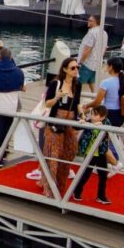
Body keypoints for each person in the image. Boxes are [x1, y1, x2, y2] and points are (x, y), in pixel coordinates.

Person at [40, 57, 81, 198]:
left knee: (69, 153)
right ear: (65, 69)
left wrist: (81, 115)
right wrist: (57, 97)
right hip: (55, 122)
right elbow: (47, 104)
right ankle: (49, 188)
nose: (76, 70)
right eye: (72, 68)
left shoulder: (78, 85)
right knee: (54, 155)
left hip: (70, 123)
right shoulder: (56, 84)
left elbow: (77, 104)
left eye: (77, 68)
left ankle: (60, 185)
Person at [0, 48, 26, 164]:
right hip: (11, 108)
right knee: (6, 132)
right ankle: (3, 154)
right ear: (10, 57)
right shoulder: (18, 72)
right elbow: (23, 87)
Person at [72, 105, 111, 205]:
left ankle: (101, 196)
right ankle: (77, 191)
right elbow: (75, 126)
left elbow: (109, 130)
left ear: (102, 117)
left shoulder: (106, 123)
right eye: (92, 114)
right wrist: (81, 122)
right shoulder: (89, 122)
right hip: (90, 153)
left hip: (101, 152)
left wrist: (101, 125)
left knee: (103, 175)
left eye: (95, 115)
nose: (92, 116)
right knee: (86, 174)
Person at [84, 57, 124, 128]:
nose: (105, 67)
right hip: (121, 115)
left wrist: (86, 106)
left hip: (108, 115)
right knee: (113, 136)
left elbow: (97, 102)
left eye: (106, 65)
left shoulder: (106, 82)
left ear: (111, 67)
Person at [78, 16, 107, 93]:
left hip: (87, 63)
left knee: (77, 82)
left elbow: (87, 49)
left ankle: (73, 99)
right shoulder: (104, 33)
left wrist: (80, 62)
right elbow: (104, 49)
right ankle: (95, 97)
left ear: (96, 22)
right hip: (97, 64)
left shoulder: (91, 33)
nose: (88, 22)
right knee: (92, 82)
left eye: (90, 21)